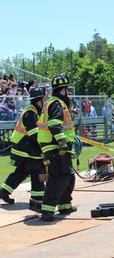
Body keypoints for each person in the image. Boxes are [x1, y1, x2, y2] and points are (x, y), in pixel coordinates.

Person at [38, 74, 76, 221]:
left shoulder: (56, 102)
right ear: (62, 90)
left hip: (59, 148)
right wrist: (62, 142)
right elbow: (54, 124)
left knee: (69, 176)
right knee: (59, 178)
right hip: (56, 149)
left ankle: (65, 205)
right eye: (68, 90)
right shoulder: (56, 104)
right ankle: (47, 210)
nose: (69, 93)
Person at [0, 88, 45, 207]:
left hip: (22, 146)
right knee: (36, 170)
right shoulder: (30, 113)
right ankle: (37, 199)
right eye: (42, 100)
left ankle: (4, 191)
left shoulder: (33, 111)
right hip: (25, 147)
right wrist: (45, 144)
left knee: (22, 171)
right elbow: (34, 134)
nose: (43, 102)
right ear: (38, 100)